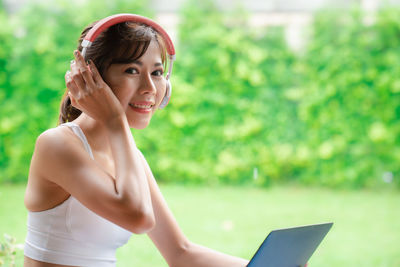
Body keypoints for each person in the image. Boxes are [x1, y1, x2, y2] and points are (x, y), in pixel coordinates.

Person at [23, 14, 249, 267]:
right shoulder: (56, 145)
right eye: (132, 70)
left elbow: (180, 252)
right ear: (90, 77)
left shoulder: (131, 158)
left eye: (157, 72)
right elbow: (139, 218)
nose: (150, 87)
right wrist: (114, 121)